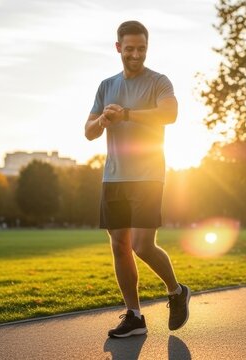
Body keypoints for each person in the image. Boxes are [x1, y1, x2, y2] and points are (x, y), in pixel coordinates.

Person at [84, 20, 190, 338]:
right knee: (120, 246)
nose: (135, 54)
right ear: (118, 47)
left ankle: (176, 290)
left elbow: (169, 115)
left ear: (147, 47)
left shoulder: (159, 82)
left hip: (148, 175)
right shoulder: (106, 86)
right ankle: (134, 316)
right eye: (129, 48)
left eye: (141, 48)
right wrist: (104, 118)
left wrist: (127, 113)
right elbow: (88, 132)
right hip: (114, 177)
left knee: (143, 245)